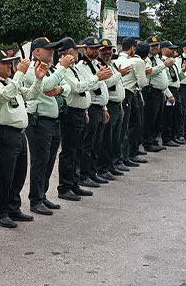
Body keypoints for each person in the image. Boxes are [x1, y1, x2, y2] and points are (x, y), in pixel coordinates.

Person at [0, 50, 44, 228]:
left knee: (18, 174)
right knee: (5, 175)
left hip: (19, 134)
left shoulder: (11, 82)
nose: (10, 66)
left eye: (11, 63)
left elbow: (31, 95)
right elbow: (5, 95)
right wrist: (20, 72)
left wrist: (39, 79)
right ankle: (0, 212)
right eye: (6, 63)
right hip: (5, 133)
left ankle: (13, 207)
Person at [56, 37, 111, 201]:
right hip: (70, 113)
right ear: (68, 53)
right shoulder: (63, 69)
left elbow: (84, 87)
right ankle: (64, 187)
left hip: (80, 112)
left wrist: (85, 110)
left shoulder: (74, 68)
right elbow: (78, 87)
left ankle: (73, 183)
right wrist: (97, 78)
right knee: (69, 151)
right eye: (74, 50)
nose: (77, 53)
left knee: (78, 150)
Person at [24, 37, 74, 216]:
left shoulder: (51, 69)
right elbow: (45, 85)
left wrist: (61, 90)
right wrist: (62, 69)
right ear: (37, 51)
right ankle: (35, 199)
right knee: (40, 161)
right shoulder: (31, 69)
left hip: (53, 120)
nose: (52, 52)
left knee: (49, 160)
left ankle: (42, 195)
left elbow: (66, 86)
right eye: (48, 49)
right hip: (39, 120)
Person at [76, 37, 111, 188]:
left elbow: (102, 87)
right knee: (88, 144)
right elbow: (87, 86)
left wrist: (105, 108)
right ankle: (84, 174)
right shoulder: (81, 66)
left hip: (99, 107)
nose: (96, 51)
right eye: (93, 49)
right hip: (91, 107)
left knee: (97, 143)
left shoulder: (96, 65)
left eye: (97, 49)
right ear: (85, 50)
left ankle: (92, 172)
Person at [97, 39, 131, 180]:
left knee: (116, 137)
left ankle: (112, 164)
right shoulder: (99, 66)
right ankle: (103, 168)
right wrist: (119, 74)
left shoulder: (112, 64)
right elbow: (106, 82)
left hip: (117, 104)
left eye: (109, 50)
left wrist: (121, 105)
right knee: (107, 139)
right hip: (109, 105)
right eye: (103, 50)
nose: (107, 53)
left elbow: (119, 86)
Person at [115, 38, 149, 169]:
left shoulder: (116, 60)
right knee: (129, 126)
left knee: (121, 128)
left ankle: (122, 157)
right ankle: (126, 156)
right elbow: (142, 83)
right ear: (133, 48)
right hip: (128, 94)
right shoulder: (136, 61)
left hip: (120, 94)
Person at [142, 36, 175, 149]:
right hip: (151, 92)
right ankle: (148, 142)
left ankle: (153, 139)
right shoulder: (145, 59)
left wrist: (168, 94)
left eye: (157, 45)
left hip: (160, 92)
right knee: (150, 118)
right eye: (153, 46)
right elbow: (148, 72)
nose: (156, 47)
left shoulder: (158, 59)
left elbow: (163, 78)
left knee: (157, 119)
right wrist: (164, 65)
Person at [160, 41, 186, 146]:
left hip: (176, 89)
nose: (173, 51)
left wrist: (183, 70)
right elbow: (164, 79)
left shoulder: (173, 62)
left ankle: (174, 135)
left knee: (177, 114)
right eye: (170, 49)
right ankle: (167, 138)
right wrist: (168, 94)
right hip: (169, 89)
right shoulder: (162, 62)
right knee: (168, 115)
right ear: (164, 50)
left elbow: (177, 78)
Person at [179, 40, 186, 142]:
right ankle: (181, 133)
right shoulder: (179, 59)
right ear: (184, 48)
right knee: (183, 110)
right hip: (182, 86)